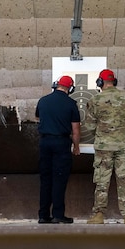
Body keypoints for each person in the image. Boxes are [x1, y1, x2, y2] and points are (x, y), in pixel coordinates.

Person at [81, 68, 125, 224]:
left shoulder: (95, 100)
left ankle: (99, 215)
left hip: (104, 147)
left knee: (102, 181)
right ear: (114, 81)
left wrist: (103, 131)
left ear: (100, 82)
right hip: (124, 146)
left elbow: (89, 126)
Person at [35, 75, 81, 224]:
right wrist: (76, 146)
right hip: (61, 143)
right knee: (59, 179)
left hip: (45, 142)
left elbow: (38, 118)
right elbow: (75, 130)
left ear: (56, 85)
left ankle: (43, 215)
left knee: (45, 179)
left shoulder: (43, 101)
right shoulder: (71, 104)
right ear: (70, 88)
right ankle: (58, 215)